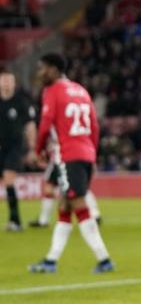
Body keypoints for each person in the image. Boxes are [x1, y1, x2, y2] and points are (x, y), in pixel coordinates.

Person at [28, 54, 114, 273]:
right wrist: (93, 154)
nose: (40, 73)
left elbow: (45, 124)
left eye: (43, 68)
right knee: (65, 207)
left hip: (69, 155)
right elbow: (94, 126)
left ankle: (104, 260)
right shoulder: (81, 90)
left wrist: (37, 151)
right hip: (85, 153)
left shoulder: (52, 91)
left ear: (54, 70)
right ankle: (50, 261)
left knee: (80, 207)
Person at [0, 71, 36, 232]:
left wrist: (32, 149)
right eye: (4, 80)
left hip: (15, 147)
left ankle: (15, 220)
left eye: (10, 80)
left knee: (9, 178)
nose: (7, 83)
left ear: (14, 84)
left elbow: (30, 126)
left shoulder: (21, 102)